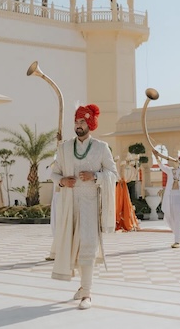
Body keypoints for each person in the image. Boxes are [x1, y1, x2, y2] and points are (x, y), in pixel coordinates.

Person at [50, 104, 117, 310]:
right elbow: (54, 174)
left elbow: (113, 175)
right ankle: (82, 286)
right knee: (73, 247)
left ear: (90, 124)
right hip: (69, 205)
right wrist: (62, 181)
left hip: (90, 205)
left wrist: (95, 176)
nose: (78, 125)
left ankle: (86, 292)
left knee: (88, 244)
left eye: (82, 122)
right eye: (76, 121)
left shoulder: (101, 147)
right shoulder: (64, 148)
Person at [157, 153, 180, 247]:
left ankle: (177, 241)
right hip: (170, 196)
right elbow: (162, 167)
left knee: (179, 218)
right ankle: (179, 236)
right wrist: (156, 156)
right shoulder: (171, 171)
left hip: (179, 198)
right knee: (170, 217)